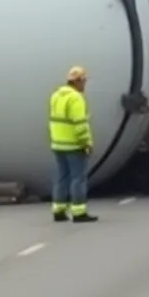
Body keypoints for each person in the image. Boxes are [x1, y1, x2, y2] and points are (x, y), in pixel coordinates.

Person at [49, 66, 98, 223]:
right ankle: (79, 212)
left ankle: (58, 210)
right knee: (78, 178)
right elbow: (80, 125)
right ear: (78, 81)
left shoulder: (56, 95)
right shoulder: (76, 98)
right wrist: (87, 143)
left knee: (62, 178)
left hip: (58, 145)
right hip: (74, 145)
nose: (84, 85)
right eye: (83, 81)